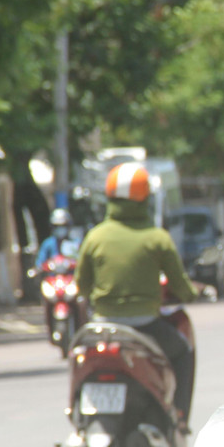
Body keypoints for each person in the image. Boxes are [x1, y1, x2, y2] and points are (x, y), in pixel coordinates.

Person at [76, 162, 198, 428]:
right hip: (145, 327)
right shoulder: (157, 238)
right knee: (183, 350)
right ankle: (179, 416)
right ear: (145, 199)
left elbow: (82, 286)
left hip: (102, 326)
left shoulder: (95, 237)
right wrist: (191, 294)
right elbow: (182, 287)